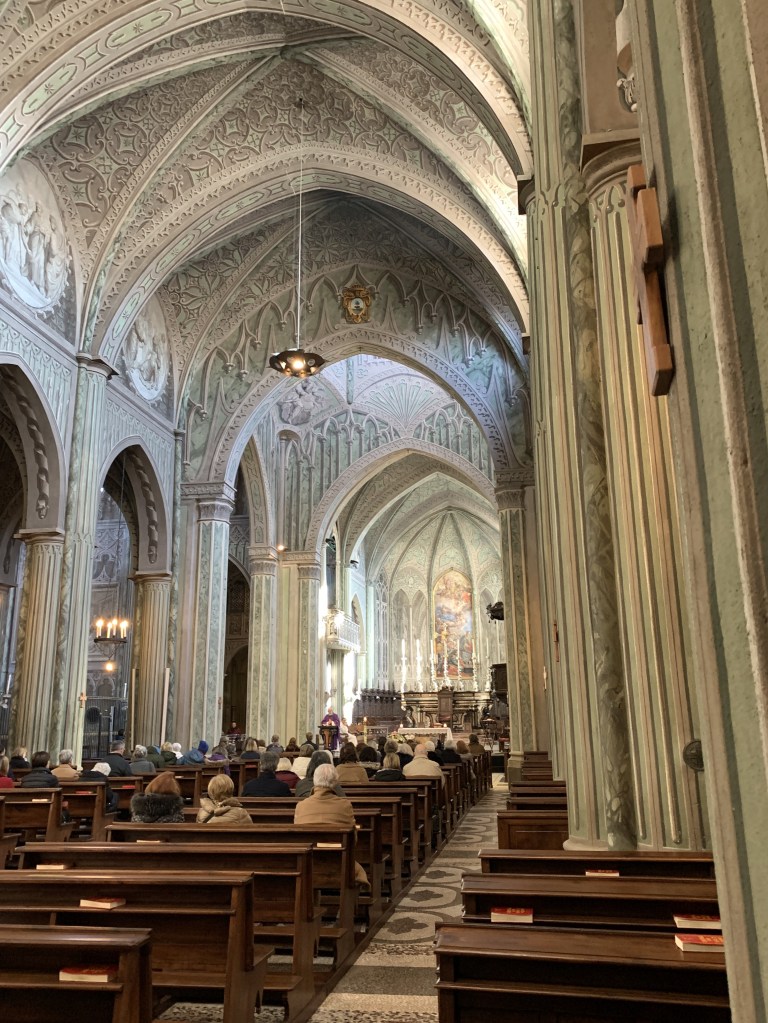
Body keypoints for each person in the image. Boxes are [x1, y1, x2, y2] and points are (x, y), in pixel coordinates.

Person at [293, 764, 369, 887]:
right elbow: (353, 839)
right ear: (335, 782)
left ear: (314, 781)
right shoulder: (345, 805)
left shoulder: (301, 806)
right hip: (340, 862)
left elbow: (297, 839)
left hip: (308, 864)